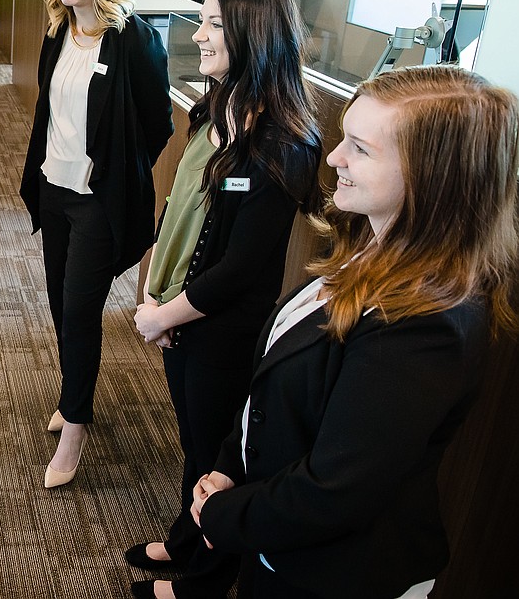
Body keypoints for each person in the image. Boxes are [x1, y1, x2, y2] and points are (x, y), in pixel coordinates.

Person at [190, 65, 519, 599]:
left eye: (360, 149)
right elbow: (278, 386)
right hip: (280, 536)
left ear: (431, 176)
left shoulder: (424, 325)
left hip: (337, 572)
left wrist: (226, 515)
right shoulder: (366, 240)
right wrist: (233, 466)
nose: (335, 157)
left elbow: (335, 490)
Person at [126, 0, 323, 599]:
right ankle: (188, 537)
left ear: (251, 35)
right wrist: (155, 294)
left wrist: (167, 317)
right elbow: (180, 209)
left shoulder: (284, 143)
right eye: (201, 21)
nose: (198, 35)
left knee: (219, 454)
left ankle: (204, 580)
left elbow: (240, 268)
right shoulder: (209, 109)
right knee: (193, 437)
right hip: (180, 308)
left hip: (220, 323)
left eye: (212, 25)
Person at [19, 0, 173, 489]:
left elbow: (157, 124)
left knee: (81, 312)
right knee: (61, 304)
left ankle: (76, 424)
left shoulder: (133, 40)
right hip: (52, 190)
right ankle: (73, 392)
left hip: (96, 203)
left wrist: (113, 171)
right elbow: (49, 112)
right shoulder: (58, 30)